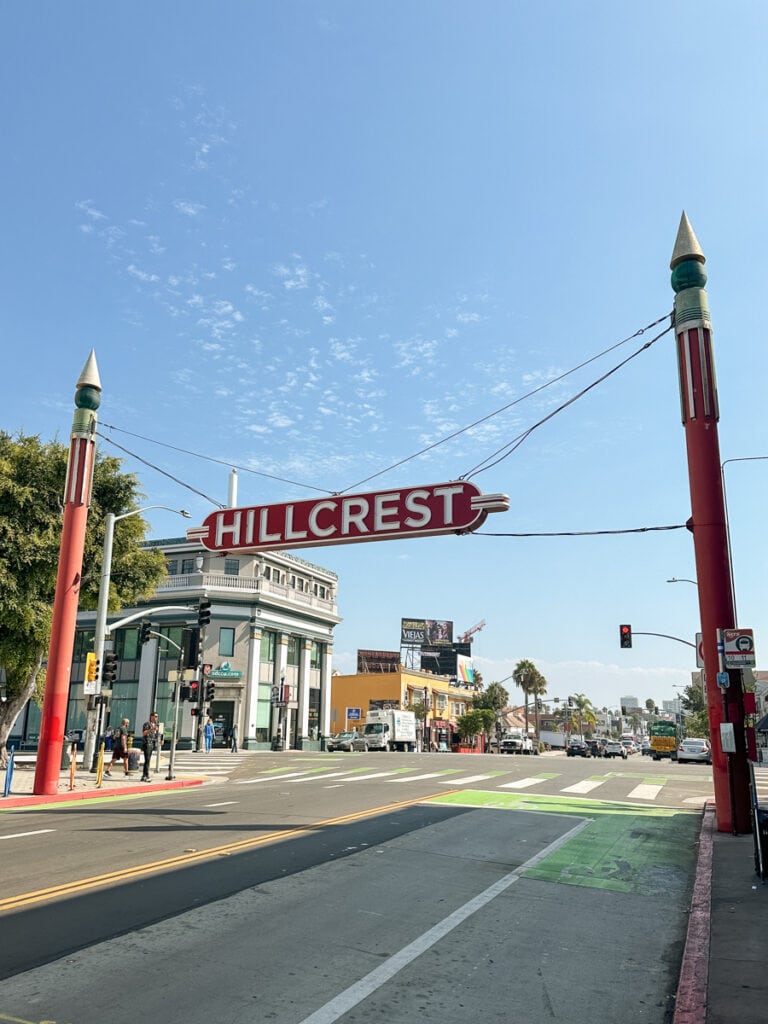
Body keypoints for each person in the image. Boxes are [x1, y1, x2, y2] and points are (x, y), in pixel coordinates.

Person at [141, 712, 160, 781]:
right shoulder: (147, 724)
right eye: (155, 716)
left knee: (148, 760)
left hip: (152, 743)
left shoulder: (156, 725)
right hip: (147, 743)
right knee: (147, 760)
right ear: (151, 716)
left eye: (157, 716)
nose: (156, 718)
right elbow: (144, 733)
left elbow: (159, 733)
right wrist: (151, 729)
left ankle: (144, 775)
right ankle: (146, 775)